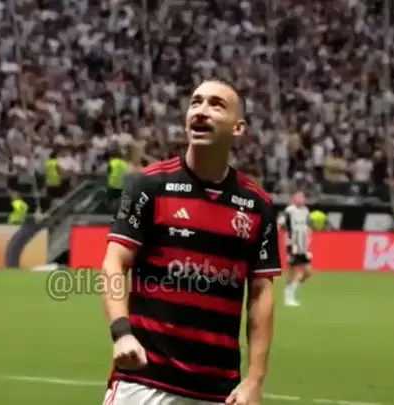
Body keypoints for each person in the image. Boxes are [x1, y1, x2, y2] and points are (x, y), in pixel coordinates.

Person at [100, 80, 282, 405]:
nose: (201, 111)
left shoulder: (258, 205)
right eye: (195, 102)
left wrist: (255, 379)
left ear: (238, 128)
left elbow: (260, 294)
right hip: (144, 382)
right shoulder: (148, 185)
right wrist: (121, 333)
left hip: (220, 392)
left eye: (216, 104)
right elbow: (114, 262)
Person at [278, 191, 312, 307]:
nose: (301, 199)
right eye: (298, 197)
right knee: (292, 273)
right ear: (293, 199)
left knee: (308, 272)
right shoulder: (289, 211)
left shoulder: (305, 211)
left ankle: (291, 290)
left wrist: (308, 243)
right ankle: (288, 298)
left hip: (303, 247)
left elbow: (308, 228)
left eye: (302, 197)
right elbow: (280, 224)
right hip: (292, 246)